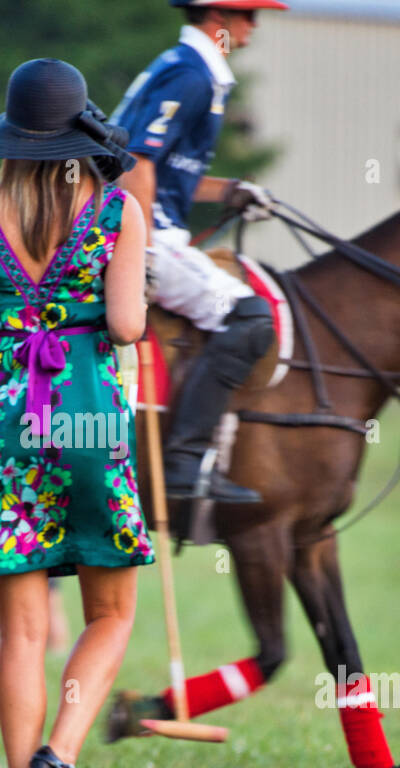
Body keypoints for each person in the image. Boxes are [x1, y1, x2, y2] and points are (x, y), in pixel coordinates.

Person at [0, 58, 154, 768]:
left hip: (3, 421)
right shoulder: (117, 211)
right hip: (88, 413)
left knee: (22, 631)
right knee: (112, 612)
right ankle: (60, 752)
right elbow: (128, 327)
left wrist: (12, 317)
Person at [111, 0, 289, 503]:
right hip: (136, 230)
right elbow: (137, 163)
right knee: (251, 318)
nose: (254, 27)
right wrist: (140, 250)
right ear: (219, 20)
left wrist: (231, 190)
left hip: (146, 222)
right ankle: (187, 467)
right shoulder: (191, 75)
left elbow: (170, 174)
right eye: (249, 16)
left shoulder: (186, 67)